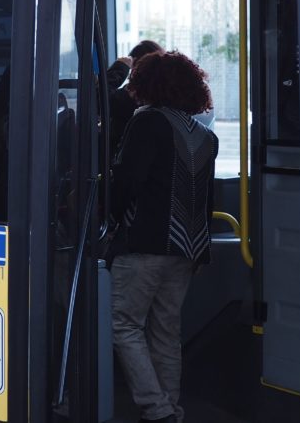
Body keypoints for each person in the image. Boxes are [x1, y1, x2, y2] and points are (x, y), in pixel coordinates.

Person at [110, 51, 218, 423]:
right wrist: (202, 253)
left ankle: (155, 409)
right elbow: (206, 199)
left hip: (144, 244)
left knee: (125, 324)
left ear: (146, 84)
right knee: (166, 332)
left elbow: (126, 181)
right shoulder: (205, 136)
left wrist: (104, 216)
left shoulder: (148, 122)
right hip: (187, 249)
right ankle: (170, 408)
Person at [107, 39, 163, 158]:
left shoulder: (135, 94)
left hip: (124, 157)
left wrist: (120, 68)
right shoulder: (165, 94)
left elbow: (101, 99)